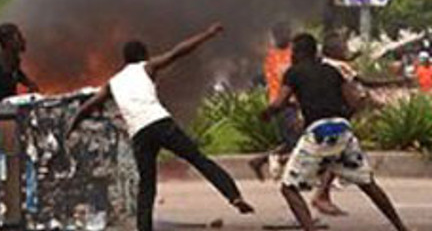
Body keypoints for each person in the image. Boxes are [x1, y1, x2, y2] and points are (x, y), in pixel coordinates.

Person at [69, 24, 254, 231]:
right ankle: (233, 195)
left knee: (146, 187)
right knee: (198, 159)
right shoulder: (146, 67)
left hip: (139, 135)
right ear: (143, 56)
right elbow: (178, 52)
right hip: (160, 123)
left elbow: (87, 107)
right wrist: (207, 35)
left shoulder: (113, 83)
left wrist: (71, 127)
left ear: (125, 59)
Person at [265, 33, 409, 231]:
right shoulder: (333, 71)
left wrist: (266, 113)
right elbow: (353, 102)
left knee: (289, 188)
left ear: (298, 52)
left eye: (293, 52)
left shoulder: (294, 72)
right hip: (343, 130)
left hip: (319, 132)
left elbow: (279, 103)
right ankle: (401, 227)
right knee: (368, 183)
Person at [251, 23, 299, 182]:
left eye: (287, 33)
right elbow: (277, 80)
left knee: (292, 140)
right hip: (281, 103)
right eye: (280, 34)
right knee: (295, 140)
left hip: (295, 102)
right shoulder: (271, 57)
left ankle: (259, 161)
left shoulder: (295, 52)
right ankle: (275, 161)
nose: (285, 36)